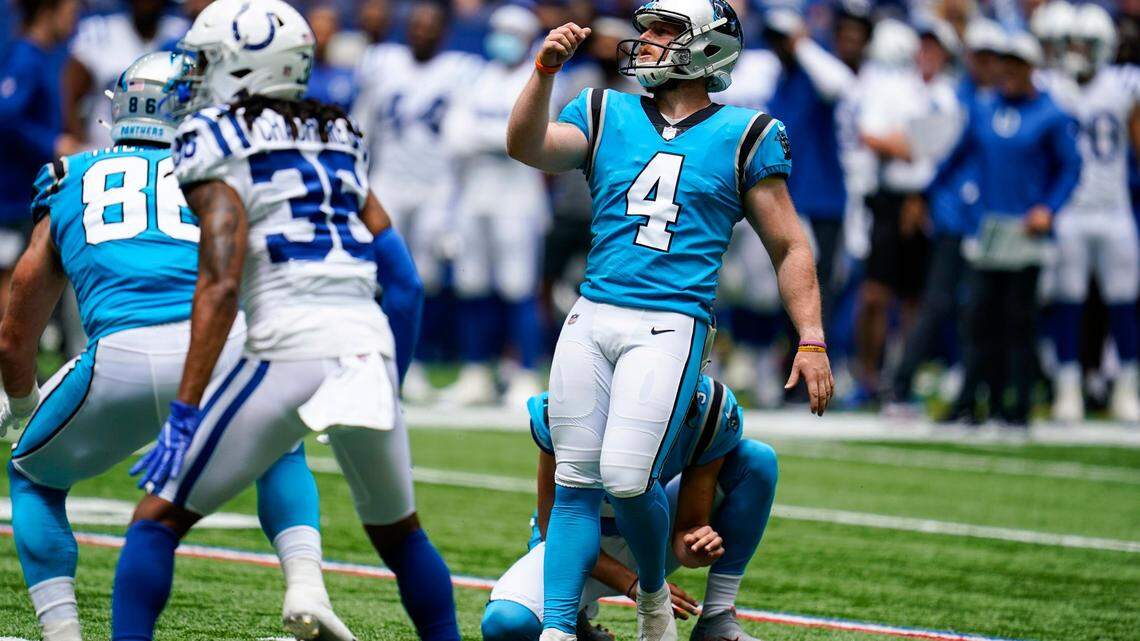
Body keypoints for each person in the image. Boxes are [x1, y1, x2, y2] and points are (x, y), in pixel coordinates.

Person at [107, 3, 454, 641]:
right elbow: (403, 282)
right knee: (401, 536)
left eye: (205, 61)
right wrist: (390, 380)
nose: (193, 74)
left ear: (240, 67)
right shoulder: (339, 132)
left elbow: (219, 284)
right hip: (366, 343)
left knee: (155, 523)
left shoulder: (209, 135)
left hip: (288, 343)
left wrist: (184, 411)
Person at [505, 3, 833, 641]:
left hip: (670, 321)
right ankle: (559, 631)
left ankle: (654, 596)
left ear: (708, 49)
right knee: (575, 483)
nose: (647, 40)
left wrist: (812, 338)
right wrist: (543, 72)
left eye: (664, 31)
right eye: (647, 28)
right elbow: (527, 146)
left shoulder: (747, 132)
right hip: (591, 312)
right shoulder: (604, 108)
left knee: (629, 479)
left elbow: (789, 245)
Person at [0, 52, 347, 641]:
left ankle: (62, 633)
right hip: (224, 347)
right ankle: (307, 587)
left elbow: (14, 337)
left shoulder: (68, 175)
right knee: (280, 451)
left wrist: (23, 406)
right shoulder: (227, 170)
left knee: (33, 476)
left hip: (120, 359)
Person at [482, 376, 777, 641]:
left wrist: (695, 544)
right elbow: (552, 526)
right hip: (572, 545)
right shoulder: (573, 396)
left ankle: (717, 615)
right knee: (507, 624)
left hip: (652, 534)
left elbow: (688, 528)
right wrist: (637, 586)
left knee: (755, 460)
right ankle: (572, 617)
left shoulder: (706, 407)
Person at [927, 32, 1082, 427]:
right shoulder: (986, 109)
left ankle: (1017, 406)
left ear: (1030, 69)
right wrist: (929, 193)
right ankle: (974, 401)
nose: (1007, 71)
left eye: (1016, 64)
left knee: (1019, 320)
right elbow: (958, 156)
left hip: (1026, 229)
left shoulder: (1051, 113)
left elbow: (1070, 167)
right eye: (1004, 64)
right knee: (979, 316)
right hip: (989, 225)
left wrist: (1048, 208)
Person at [352, 0, 482, 401]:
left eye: (431, 25)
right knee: (373, 272)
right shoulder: (381, 62)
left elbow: (464, 135)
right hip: (387, 181)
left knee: (421, 276)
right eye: (417, 24)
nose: (422, 31)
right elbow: (362, 124)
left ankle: (415, 361)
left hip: (435, 187)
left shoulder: (460, 70)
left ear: (444, 31)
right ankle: (368, 356)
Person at [889, 18, 1006, 411]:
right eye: (981, 56)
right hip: (958, 215)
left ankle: (975, 383)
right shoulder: (955, 99)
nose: (986, 64)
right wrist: (922, 196)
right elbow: (938, 158)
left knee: (986, 306)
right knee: (939, 301)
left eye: (992, 57)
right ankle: (902, 382)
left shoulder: (1003, 101)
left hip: (994, 217)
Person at [442, 4, 548, 406]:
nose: (505, 39)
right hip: (474, 196)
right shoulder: (475, 77)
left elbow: (534, 137)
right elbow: (455, 137)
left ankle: (523, 372)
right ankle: (475, 373)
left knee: (518, 287)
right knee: (472, 284)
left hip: (519, 200)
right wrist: (504, 137)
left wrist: (495, 137)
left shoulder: (539, 79)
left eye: (514, 33)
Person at [855, 19, 960, 406]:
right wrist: (917, 146)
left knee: (915, 297)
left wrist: (909, 144)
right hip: (891, 197)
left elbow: (952, 146)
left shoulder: (950, 95)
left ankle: (902, 375)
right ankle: (868, 375)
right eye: (924, 46)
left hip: (931, 199)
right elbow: (871, 135)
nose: (927, 54)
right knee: (876, 293)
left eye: (935, 48)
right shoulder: (894, 87)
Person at [1047, 4, 1140, 422]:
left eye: (1086, 45)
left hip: (1114, 208)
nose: (1078, 52)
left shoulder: (1123, 84)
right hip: (1069, 211)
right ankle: (1067, 388)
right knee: (1068, 301)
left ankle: (1126, 387)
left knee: (1124, 301)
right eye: (1073, 44)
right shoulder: (1053, 86)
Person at [759, 8, 856, 334]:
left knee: (821, 285)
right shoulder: (779, 82)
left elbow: (839, 86)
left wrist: (803, 44)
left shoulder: (815, 76)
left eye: (783, 40)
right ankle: (792, 356)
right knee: (789, 282)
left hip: (824, 200)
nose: (779, 47)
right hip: (790, 198)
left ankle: (819, 354)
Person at [0, 0, 81, 321]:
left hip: (28, 199)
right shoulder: (27, 58)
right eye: (70, 12)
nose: (75, 20)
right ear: (49, 11)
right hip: (15, 201)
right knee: (14, 286)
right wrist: (52, 143)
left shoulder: (42, 57)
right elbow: (5, 116)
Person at [62, 0, 187, 149]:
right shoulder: (101, 30)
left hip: (165, 152)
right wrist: (81, 146)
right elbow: (68, 94)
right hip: (104, 150)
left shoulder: (180, 32)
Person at [306, 5, 358, 112]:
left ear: (335, 32)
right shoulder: (299, 75)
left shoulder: (348, 75)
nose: (321, 39)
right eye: (317, 32)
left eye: (325, 32)